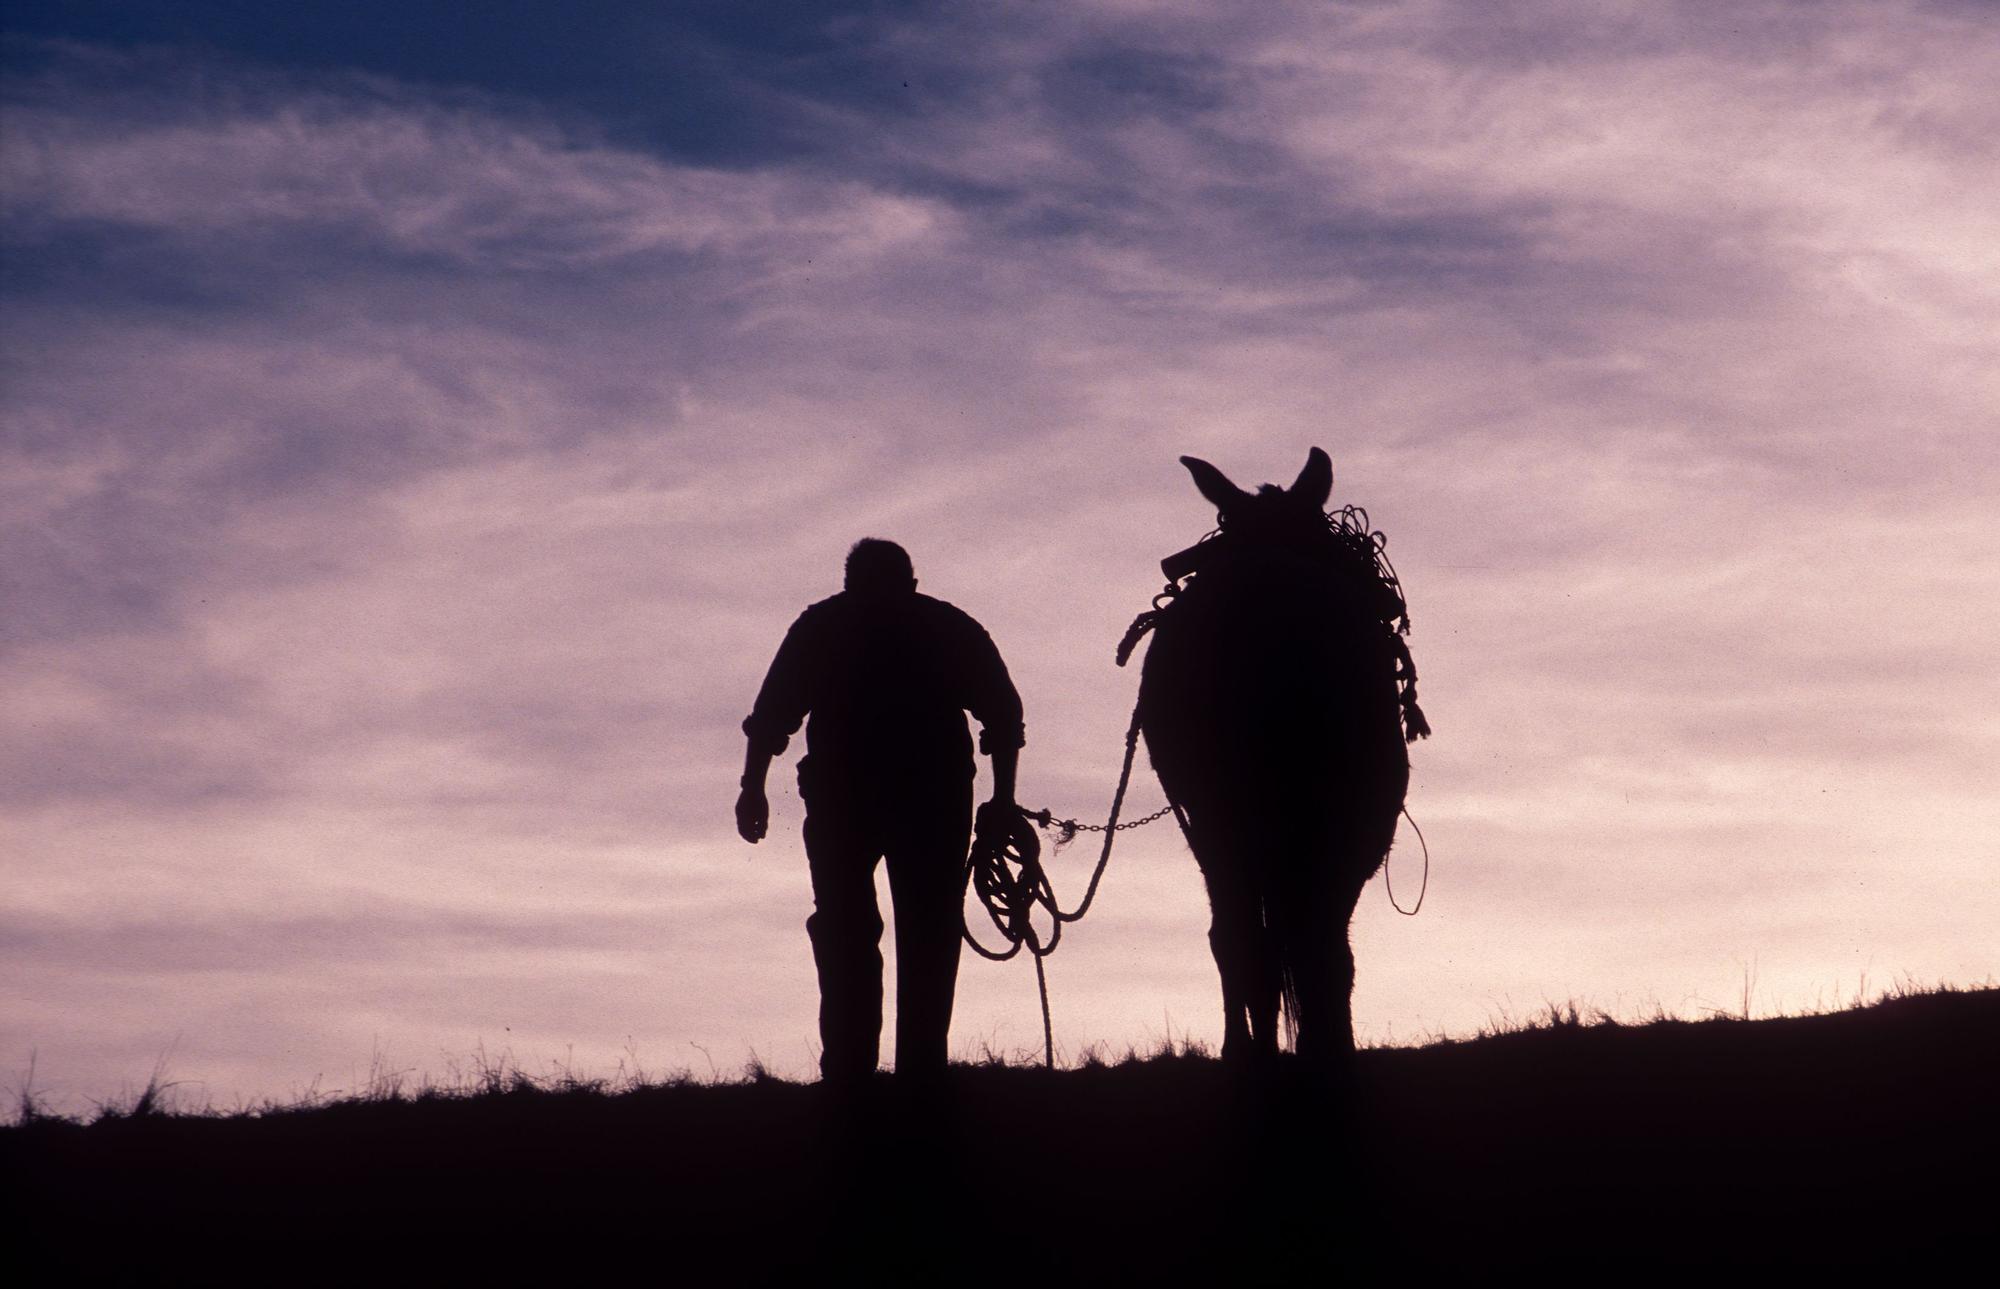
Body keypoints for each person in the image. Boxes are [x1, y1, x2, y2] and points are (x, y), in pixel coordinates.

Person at [737, 538, 1025, 1083]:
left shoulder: (822, 626)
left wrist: (753, 787)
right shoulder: (946, 626)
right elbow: (1004, 718)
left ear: (849, 583)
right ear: (912, 583)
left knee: (851, 929)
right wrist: (1002, 800)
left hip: (849, 800)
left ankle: (852, 1074)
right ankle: (914, 1071)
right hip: (925, 800)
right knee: (924, 930)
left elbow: (771, 716)